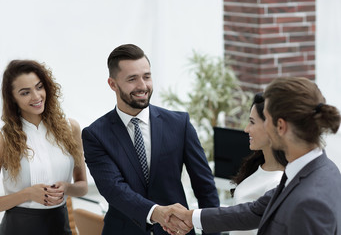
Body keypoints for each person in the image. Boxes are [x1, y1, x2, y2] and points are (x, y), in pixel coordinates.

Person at [162, 76, 341, 235]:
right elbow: (255, 211)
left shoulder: (308, 203)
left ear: (281, 126)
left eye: (267, 120)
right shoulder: (315, 170)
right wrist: (190, 216)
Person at [81, 44, 220, 235]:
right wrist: (157, 213)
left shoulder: (180, 124)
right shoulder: (96, 135)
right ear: (112, 84)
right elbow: (114, 190)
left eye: (147, 76)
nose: (142, 86)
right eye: (132, 79)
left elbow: (205, 188)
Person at [0, 60, 88, 235]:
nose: (36, 96)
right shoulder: (4, 138)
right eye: (25, 92)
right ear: (12, 99)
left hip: (59, 226)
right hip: (18, 229)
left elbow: (83, 186)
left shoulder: (71, 129)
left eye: (39, 87)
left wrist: (67, 188)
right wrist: (27, 194)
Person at [229, 92, 287, 235]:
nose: (246, 129)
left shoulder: (278, 182)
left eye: (252, 122)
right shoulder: (258, 165)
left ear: (271, 127)